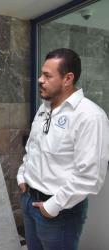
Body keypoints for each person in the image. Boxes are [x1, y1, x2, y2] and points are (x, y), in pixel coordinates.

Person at [17, 48, 109, 250]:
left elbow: (90, 176)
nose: (40, 80)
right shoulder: (44, 107)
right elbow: (33, 147)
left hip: (59, 213)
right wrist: (22, 175)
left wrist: (52, 207)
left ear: (68, 79)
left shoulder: (90, 116)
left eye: (47, 75)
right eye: (41, 74)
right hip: (30, 200)